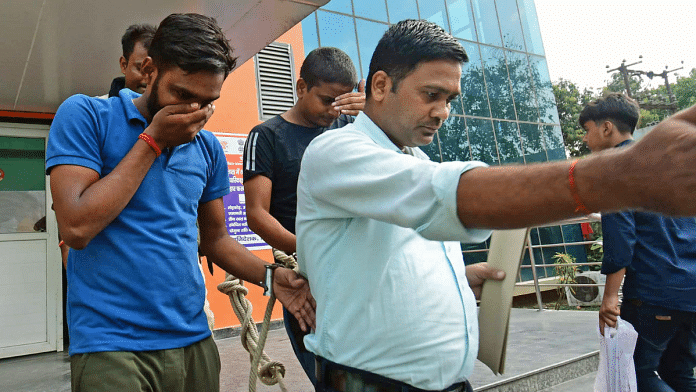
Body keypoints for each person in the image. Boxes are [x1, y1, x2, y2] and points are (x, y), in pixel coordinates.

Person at [296, 19, 696, 392]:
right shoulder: (336, 152)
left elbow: (398, 243)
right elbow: (450, 196)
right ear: (381, 86)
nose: (443, 112)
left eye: (450, 99)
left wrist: (453, 276)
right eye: (431, 95)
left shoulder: (414, 161)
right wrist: (619, 178)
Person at [46, 13, 315, 392]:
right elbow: (75, 228)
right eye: (183, 95)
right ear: (150, 71)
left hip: (193, 340)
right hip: (112, 346)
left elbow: (216, 239)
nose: (194, 114)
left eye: (208, 102)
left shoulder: (207, 148)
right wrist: (153, 141)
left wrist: (271, 277)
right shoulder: (86, 115)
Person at [243, 46, 365, 384]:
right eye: (326, 100)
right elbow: (257, 215)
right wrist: (314, 250)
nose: (334, 110)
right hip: (304, 279)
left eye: (342, 102)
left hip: (358, 276)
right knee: (332, 379)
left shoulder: (354, 129)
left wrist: (376, 120)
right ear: (300, 88)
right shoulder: (266, 136)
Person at [581, 93, 696, 392]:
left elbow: (621, 240)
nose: (584, 138)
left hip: (654, 292)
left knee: (638, 373)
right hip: (691, 291)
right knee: (679, 372)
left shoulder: (615, 170)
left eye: (587, 129)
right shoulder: (671, 168)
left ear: (607, 128)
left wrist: (609, 299)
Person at [104, 23, 157, 98]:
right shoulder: (96, 108)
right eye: (141, 69)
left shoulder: (172, 108)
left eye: (153, 70)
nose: (148, 77)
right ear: (124, 65)